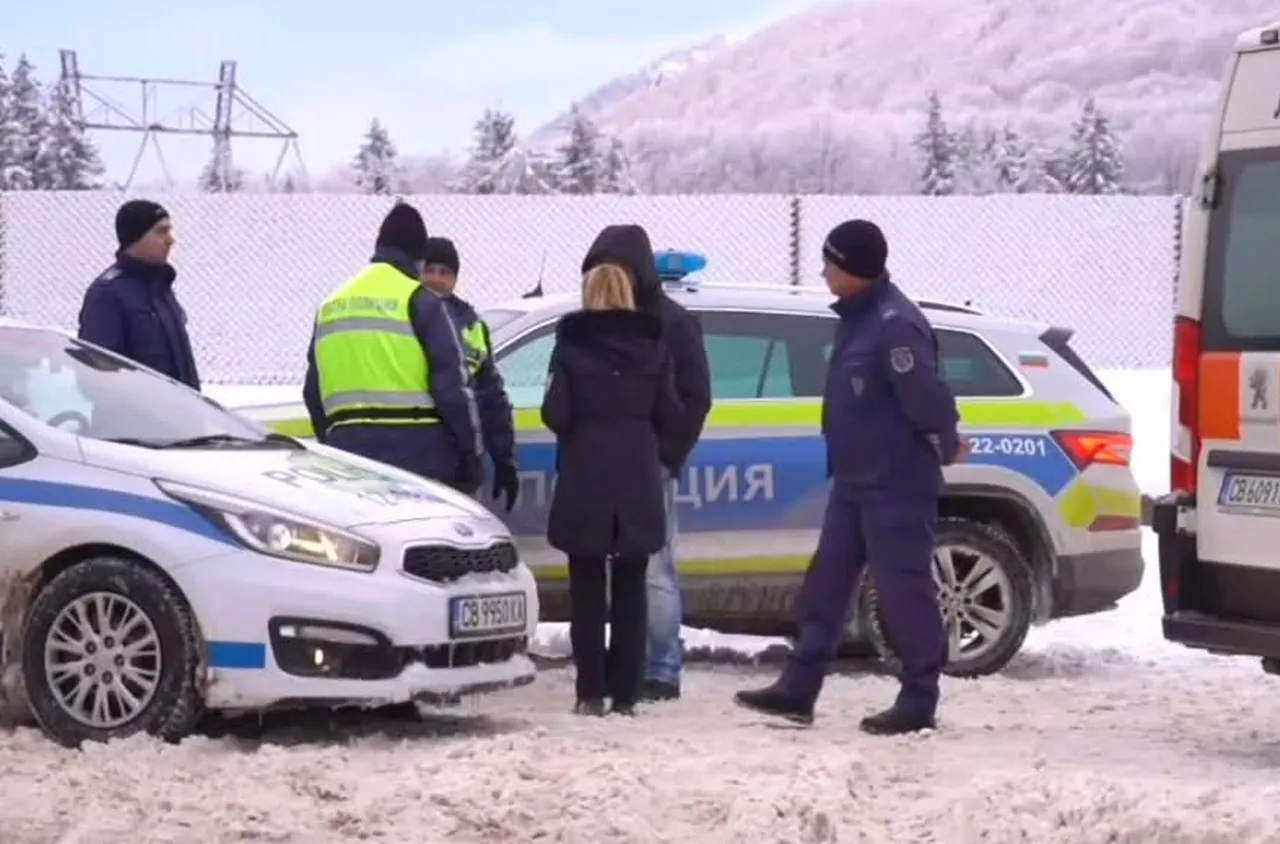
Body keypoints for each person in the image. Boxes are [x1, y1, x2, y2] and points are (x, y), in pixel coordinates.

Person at [734, 219, 966, 736]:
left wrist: (947, 441)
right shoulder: (859, 318)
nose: (823, 272)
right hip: (855, 482)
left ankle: (919, 697)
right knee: (826, 586)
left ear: (856, 269)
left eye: (831, 264)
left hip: (896, 483)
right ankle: (799, 689)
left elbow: (926, 399)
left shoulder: (894, 324)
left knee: (904, 593)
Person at [541, 262, 684, 718]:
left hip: (586, 473)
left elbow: (555, 414)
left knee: (585, 588)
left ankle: (589, 693)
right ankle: (626, 694)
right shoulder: (654, 345)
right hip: (637, 474)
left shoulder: (571, 346)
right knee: (631, 586)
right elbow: (672, 412)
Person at [580, 224, 711, 703]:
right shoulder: (607, 321)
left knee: (653, 569)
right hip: (632, 464)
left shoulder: (669, 323)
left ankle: (659, 670)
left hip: (643, 465)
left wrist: (665, 456)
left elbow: (695, 398)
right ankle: (641, 670)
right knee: (646, 570)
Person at [302, 203, 484, 490]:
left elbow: (313, 392)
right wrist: (470, 457)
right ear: (419, 258)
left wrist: (335, 443)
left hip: (349, 460)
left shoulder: (330, 305)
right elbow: (452, 388)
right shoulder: (421, 301)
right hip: (418, 463)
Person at [418, 236, 519, 511]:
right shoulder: (407, 314)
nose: (436, 279)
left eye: (445, 272)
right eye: (429, 270)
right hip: (417, 452)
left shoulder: (471, 323)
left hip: (460, 459)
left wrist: (503, 457)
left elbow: (490, 394)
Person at [77, 199, 200, 390]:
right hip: (137, 418)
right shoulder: (107, 294)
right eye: (161, 231)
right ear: (135, 237)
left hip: (179, 415)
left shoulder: (161, 288)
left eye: (169, 231)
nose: (170, 240)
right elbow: (95, 377)